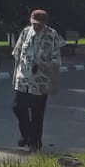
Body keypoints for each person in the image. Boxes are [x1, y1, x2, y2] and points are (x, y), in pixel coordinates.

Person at [13, 10, 62, 151]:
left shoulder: (52, 35)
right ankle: (26, 134)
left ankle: (35, 143)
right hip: (23, 80)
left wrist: (45, 68)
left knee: (37, 114)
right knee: (17, 108)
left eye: (39, 24)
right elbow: (17, 54)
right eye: (34, 23)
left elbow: (56, 61)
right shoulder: (25, 32)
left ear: (45, 23)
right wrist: (14, 76)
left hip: (40, 82)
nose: (36, 27)